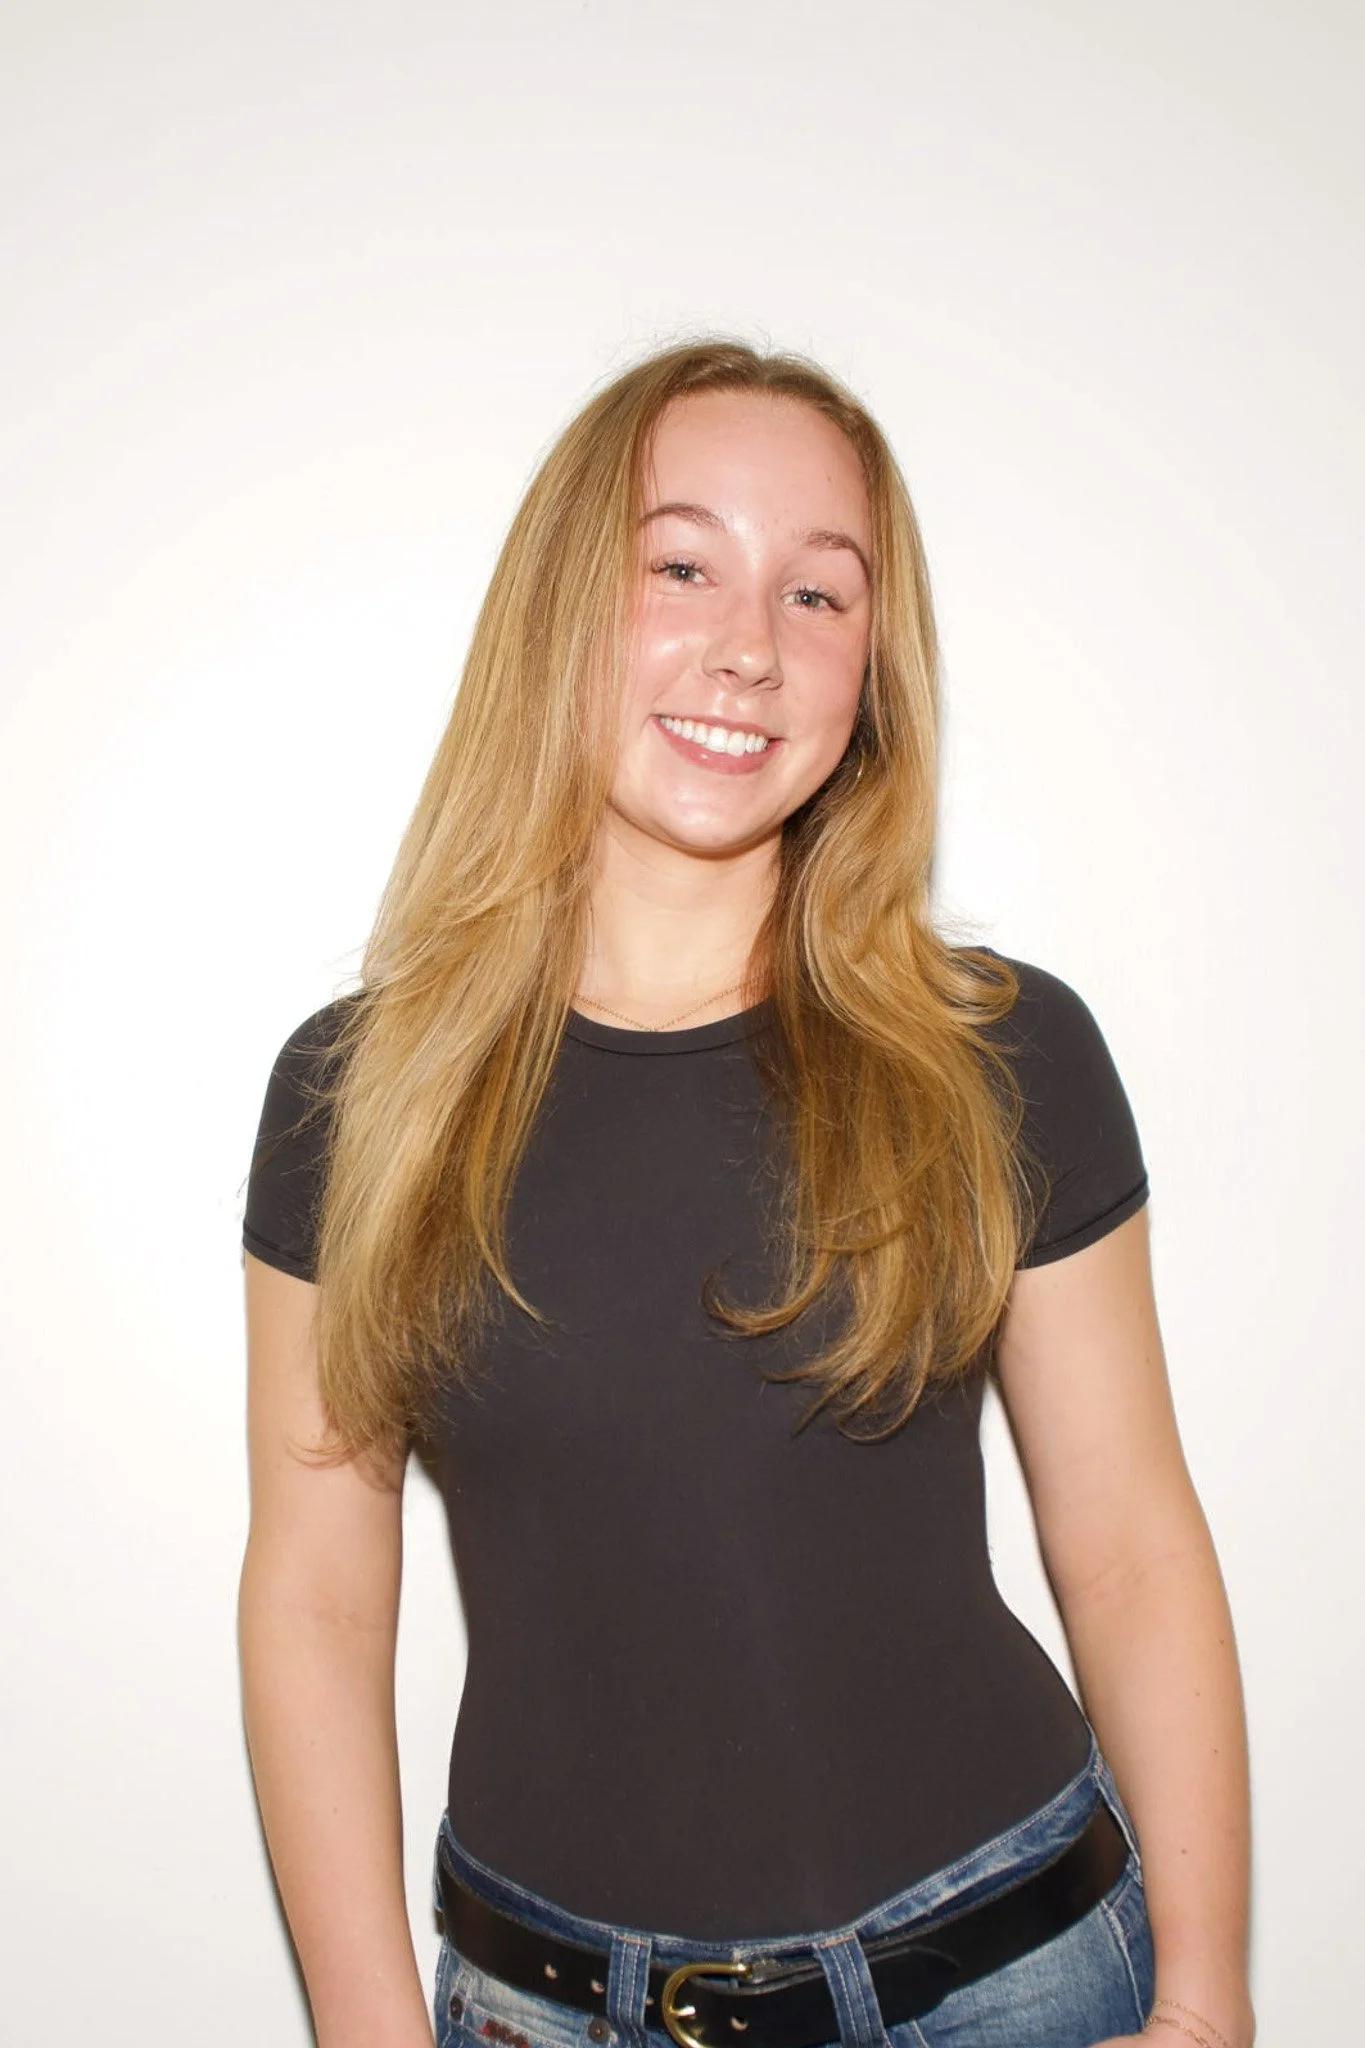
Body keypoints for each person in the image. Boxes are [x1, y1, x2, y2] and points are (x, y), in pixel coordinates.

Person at [239, 339, 1254, 2048]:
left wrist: (1210, 1996)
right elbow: (318, 1597)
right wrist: (364, 2025)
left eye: (820, 595)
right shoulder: (359, 1099)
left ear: (876, 666)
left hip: (1012, 1980)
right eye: (683, 565)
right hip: (545, 2010)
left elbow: (1134, 1546)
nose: (749, 649)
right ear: (566, 603)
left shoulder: (1005, 1057)